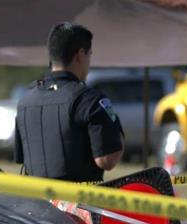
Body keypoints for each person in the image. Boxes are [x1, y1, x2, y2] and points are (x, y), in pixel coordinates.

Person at [15, 22, 124, 183]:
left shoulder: (25, 100)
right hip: (79, 204)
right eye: (89, 55)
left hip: (35, 203)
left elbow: (22, 158)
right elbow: (107, 160)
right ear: (80, 55)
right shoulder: (90, 100)